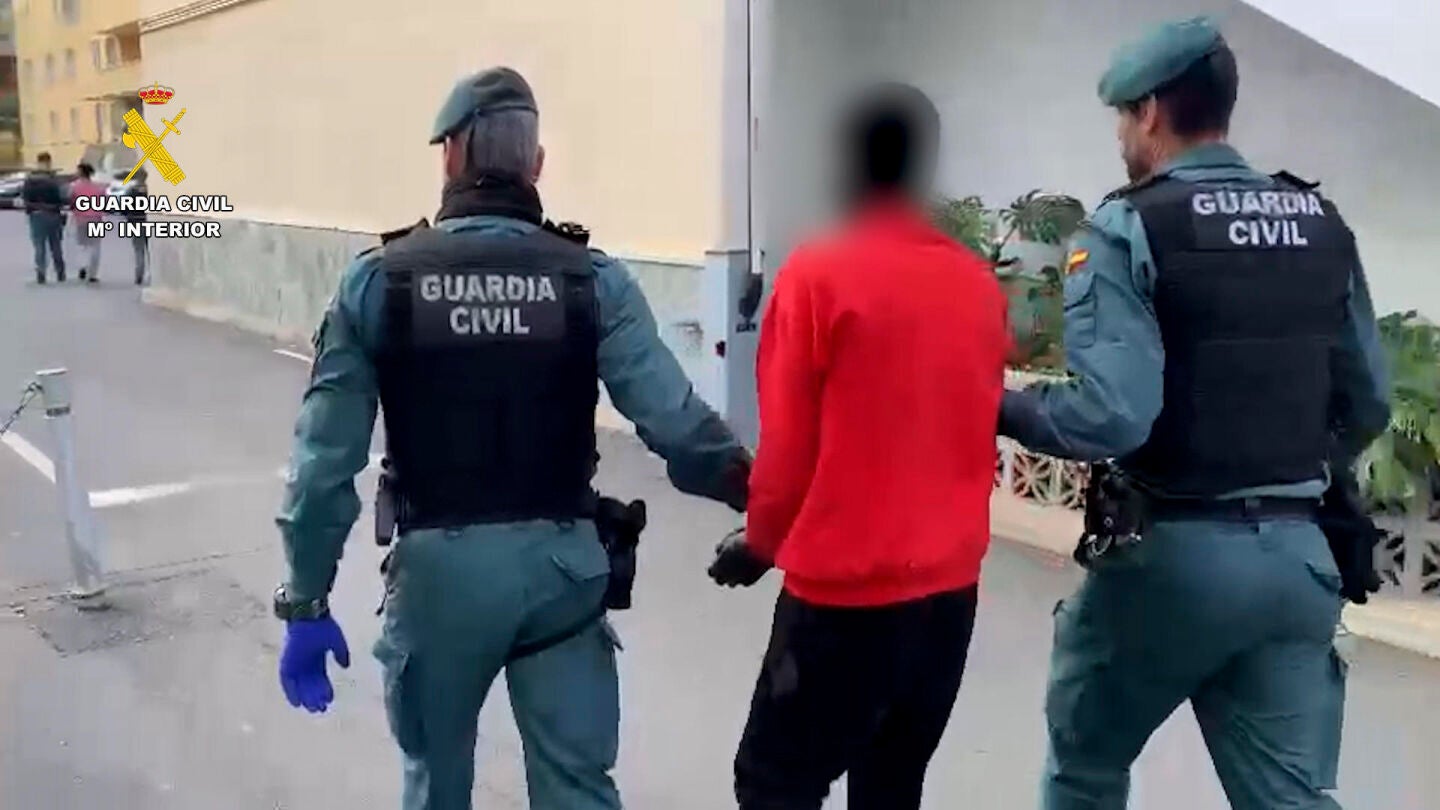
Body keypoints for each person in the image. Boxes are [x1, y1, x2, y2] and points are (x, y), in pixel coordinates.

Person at [274, 66, 751, 810]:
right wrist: (763, 499)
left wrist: (305, 599)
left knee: (435, 787)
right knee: (578, 790)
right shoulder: (590, 279)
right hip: (563, 575)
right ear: (537, 165)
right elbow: (679, 425)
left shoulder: (380, 281)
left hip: (438, 582)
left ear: (451, 156)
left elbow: (321, 468)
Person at [997, 17, 1390, 810]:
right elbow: (1369, 401)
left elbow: (1112, 418)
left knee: (1084, 768)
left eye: (1122, 118)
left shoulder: (1129, 226)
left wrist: (992, 405)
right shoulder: (1319, 223)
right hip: (1299, 561)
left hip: (1170, 562)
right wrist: (1284, 468)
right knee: (1289, 799)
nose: (1121, 136)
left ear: (1148, 112)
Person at [707, 83, 1010, 810]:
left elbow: (787, 451)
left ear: (844, 163)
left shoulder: (818, 277)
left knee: (774, 784)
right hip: (947, 600)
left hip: (843, 604)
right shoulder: (975, 285)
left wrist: (760, 543)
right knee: (891, 787)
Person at [22, 152, 66, 284]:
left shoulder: (30, 180)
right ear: (49, 162)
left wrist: (33, 207)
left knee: (39, 245)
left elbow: (25, 199)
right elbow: (63, 197)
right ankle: (60, 271)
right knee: (56, 244)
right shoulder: (54, 179)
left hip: (36, 215)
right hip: (53, 214)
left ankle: (41, 271)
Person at [69, 162, 106, 284]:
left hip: (81, 219)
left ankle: (83, 266)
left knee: (82, 245)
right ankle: (93, 273)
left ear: (81, 173)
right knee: (95, 246)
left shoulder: (74, 187)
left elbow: (71, 203)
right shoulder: (99, 188)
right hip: (96, 219)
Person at [124, 167, 150, 285]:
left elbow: (124, 207)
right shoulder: (151, 190)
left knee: (139, 250)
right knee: (151, 250)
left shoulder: (131, 190)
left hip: (135, 221)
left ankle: (139, 274)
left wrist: (128, 218)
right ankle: (153, 274)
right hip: (149, 221)